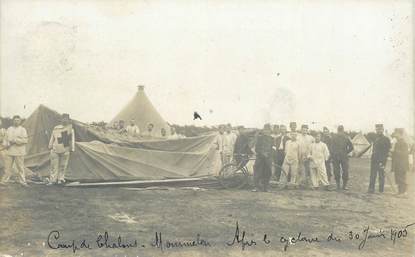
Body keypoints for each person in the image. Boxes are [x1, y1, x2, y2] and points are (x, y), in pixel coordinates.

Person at [0, 115, 29, 186]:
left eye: (18, 120)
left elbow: (25, 140)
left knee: (20, 167)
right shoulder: (9, 129)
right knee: (7, 167)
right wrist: (5, 145)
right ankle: (4, 181)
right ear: (13, 121)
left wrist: (15, 140)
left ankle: (22, 181)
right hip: (9, 151)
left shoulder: (23, 129)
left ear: (20, 121)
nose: (16, 122)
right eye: (15, 120)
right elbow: (5, 140)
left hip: (19, 151)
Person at [47, 113, 75, 185]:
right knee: (54, 165)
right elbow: (52, 137)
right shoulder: (56, 128)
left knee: (63, 165)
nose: (64, 120)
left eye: (66, 119)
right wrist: (50, 146)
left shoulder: (70, 129)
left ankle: (60, 179)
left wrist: (72, 148)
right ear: (61, 119)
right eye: (63, 118)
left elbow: (72, 139)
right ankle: (53, 180)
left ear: (68, 120)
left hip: (65, 149)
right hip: (55, 148)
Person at [368, 124, 391, 194]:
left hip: (382, 160)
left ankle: (381, 190)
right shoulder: (375, 138)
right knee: (372, 175)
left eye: (380, 129)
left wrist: (382, 161)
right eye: (377, 129)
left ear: (383, 130)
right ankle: (371, 189)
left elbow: (387, 151)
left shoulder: (386, 139)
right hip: (374, 159)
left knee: (381, 175)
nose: (378, 131)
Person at [331, 125, 354, 190]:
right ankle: (338, 185)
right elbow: (331, 148)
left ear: (343, 131)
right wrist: (334, 154)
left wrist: (345, 153)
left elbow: (351, 147)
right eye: (339, 131)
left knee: (345, 171)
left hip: (343, 157)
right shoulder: (334, 138)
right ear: (338, 131)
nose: (340, 132)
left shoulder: (346, 138)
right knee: (337, 171)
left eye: (341, 131)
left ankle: (344, 186)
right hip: (337, 157)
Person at [252, 124, 274, 192]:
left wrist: (269, 154)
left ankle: (266, 188)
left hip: (268, 159)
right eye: (265, 130)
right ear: (263, 130)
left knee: (267, 173)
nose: (267, 131)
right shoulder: (259, 138)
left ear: (270, 131)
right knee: (257, 172)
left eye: (268, 130)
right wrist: (262, 153)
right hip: (260, 158)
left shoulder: (272, 139)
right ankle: (256, 187)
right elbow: (257, 148)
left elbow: (273, 149)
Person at [391, 128, 409, 195]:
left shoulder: (404, 143)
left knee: (402, 178)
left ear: (400, 134)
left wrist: (394, 151)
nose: (395, 135)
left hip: (402, 164)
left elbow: (405, 154)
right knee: (397, 178)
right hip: (397, 164)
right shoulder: (397, 143)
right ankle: (400, 192)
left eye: (396, 133)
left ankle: (404, 192)